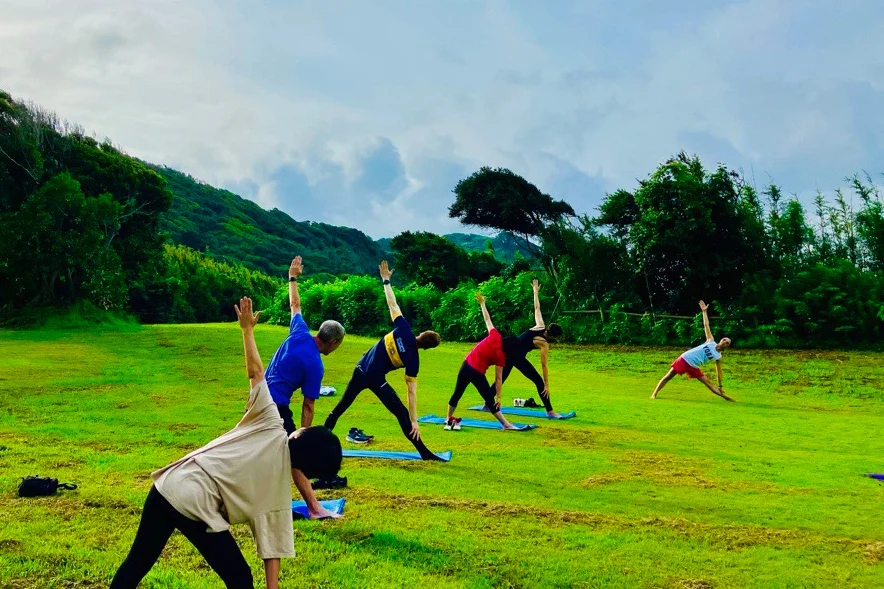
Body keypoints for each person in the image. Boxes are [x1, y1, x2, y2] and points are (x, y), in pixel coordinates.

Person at [110, 298, 343, 589]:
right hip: (195, 503)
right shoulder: (278, 493)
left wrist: (247, 330)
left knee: (137, 563)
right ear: (306, 471)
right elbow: (273, 550)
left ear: (298, 434)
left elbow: (256, 373)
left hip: (168, 484)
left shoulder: (270, 421)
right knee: (240, 579)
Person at [324, 260, 444, 460]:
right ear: (426, 348)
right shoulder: (413, 360)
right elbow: (411, 392)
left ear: (421, 334)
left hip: (360, 369)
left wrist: (386, 280)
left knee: (340, 408)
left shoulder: (404, 329)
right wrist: (414, 421)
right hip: (376, 380)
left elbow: (392, 303)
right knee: (401, 413)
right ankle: (424, 452)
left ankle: (319, 442)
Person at [264, 255, 346, 519]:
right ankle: (314, 508)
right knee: (295, 456)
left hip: (256, 396)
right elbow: (308, 405)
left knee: (257, 449)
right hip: (274, 406)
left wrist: (292, 277)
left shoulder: (299, 331)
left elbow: (295, 304)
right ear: (334, 342)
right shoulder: (315, 365)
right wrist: (303, 436)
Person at [446, 293, 519, 430]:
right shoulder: (501, 357)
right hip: (476, 372)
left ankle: (447, 418)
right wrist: (499, 398)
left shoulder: (495, 335)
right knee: (489, 399)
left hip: (466, 364)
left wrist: (482, 304)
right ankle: (506, 424)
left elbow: (487, 319)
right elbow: (498, 379)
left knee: (457, 393)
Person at [502, 279, 564, 418]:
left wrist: (535, 291)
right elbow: (544, 365)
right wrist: (546, 384)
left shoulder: (540, 325)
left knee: (502, 378)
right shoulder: (543, 343)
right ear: (553, 336)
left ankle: (487, 404)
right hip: (517, 357)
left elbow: (537, 308)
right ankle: (550, 411)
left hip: (510, 353)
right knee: (539, 382)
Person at [651, 300, 734, 401]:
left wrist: (720, 385)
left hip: (694, 366)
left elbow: (719, 372)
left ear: (727, 346)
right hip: (685, 358)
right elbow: (706, 325)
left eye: (727, 342)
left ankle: (727, 398)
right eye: (724, 339)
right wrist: (704, 312)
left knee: (708, 383)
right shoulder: (710, 341)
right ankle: (654, 394)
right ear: (721, 340)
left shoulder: (718, 356)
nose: (725, 342)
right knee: (669, 376)